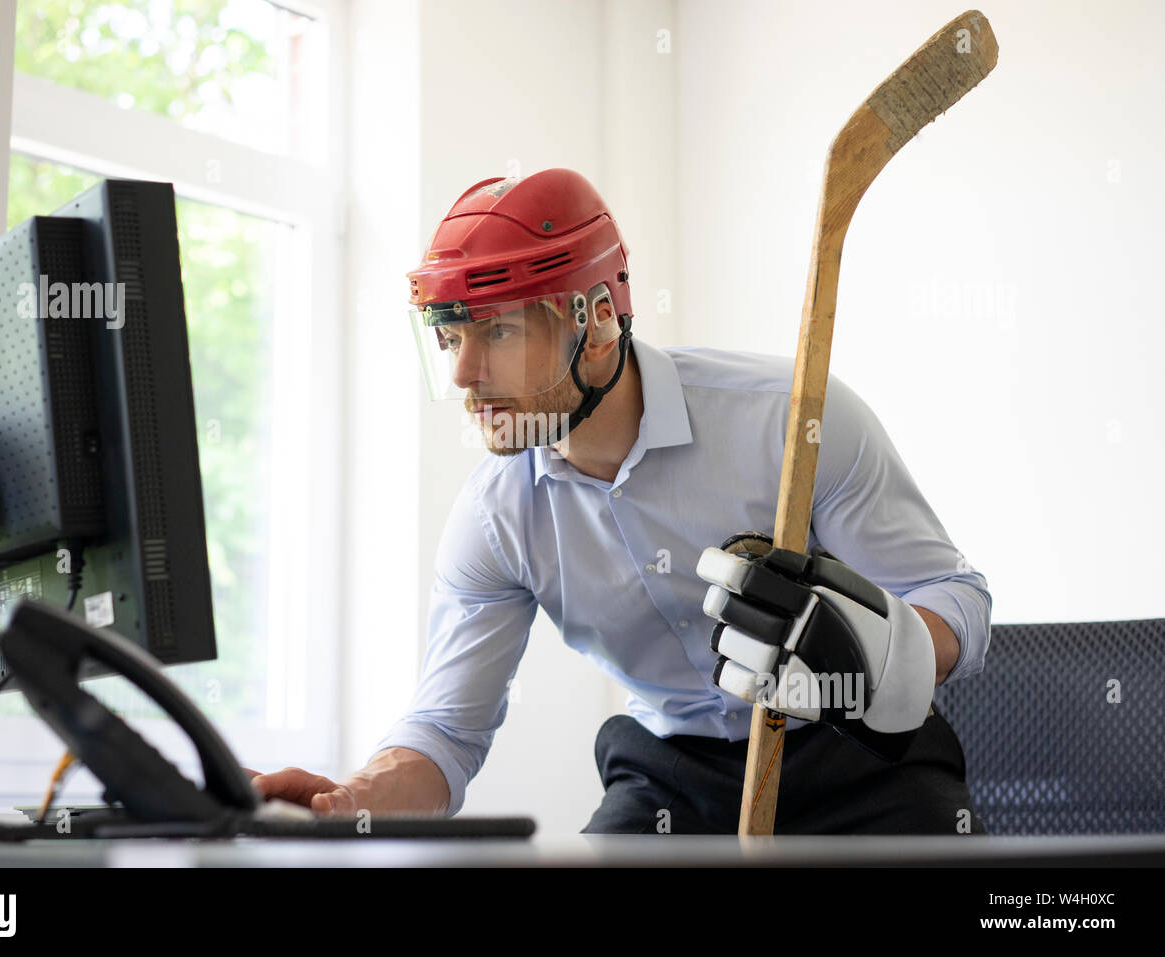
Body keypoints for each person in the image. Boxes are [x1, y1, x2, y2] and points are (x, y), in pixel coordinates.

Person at [251, 168, 992, 834]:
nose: (465, 377)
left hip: (860, 764)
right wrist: (351, 801)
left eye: (499, 330)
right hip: (671, 779)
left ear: (598, 322)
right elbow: (448, 730)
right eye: (449, 340)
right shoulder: (496, 517)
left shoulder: (790, 420)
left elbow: (956, 596)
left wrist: (872, 646)